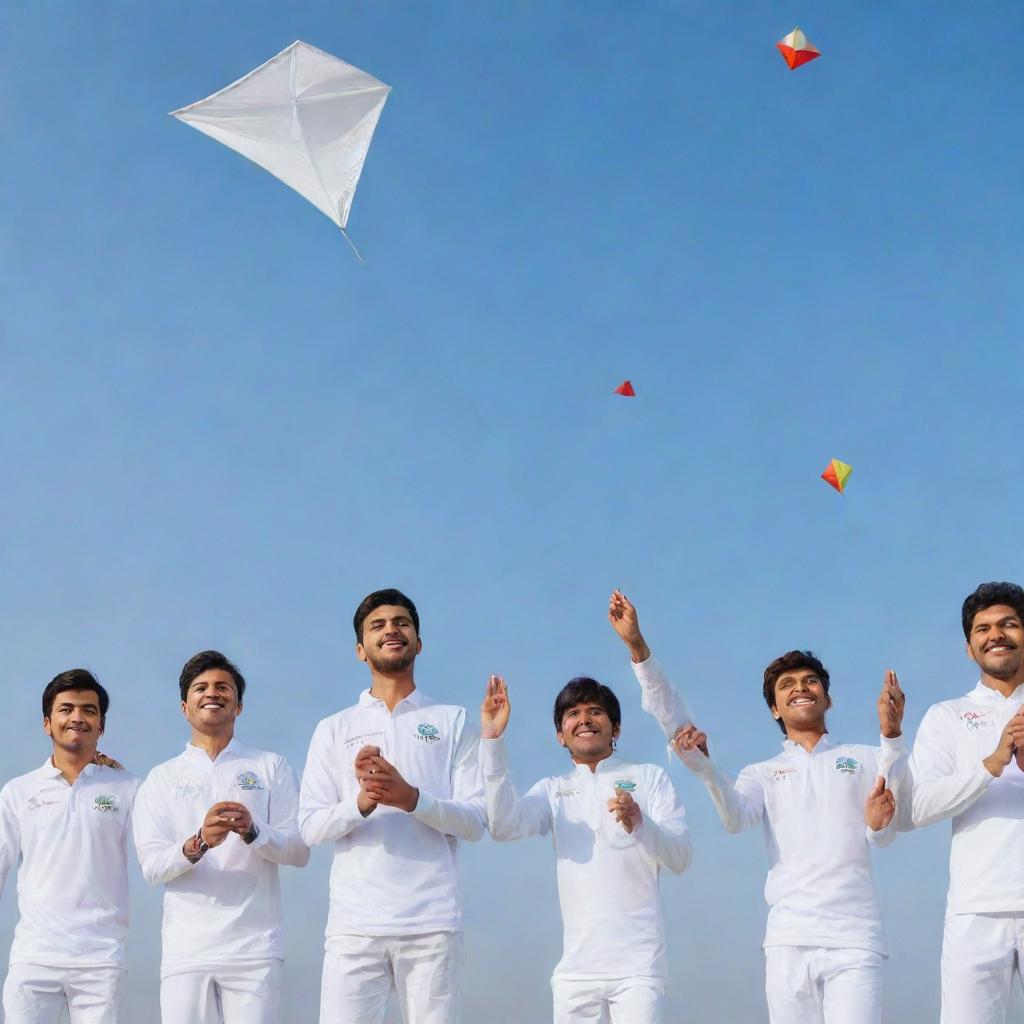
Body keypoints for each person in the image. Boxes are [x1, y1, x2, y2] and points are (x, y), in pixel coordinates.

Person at [608, 590, 905, 1024]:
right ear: (773, 710)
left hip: (854, 937)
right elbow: (733, 817)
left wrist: (892, 739)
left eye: (810, 682)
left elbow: (889, 827)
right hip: (788, 939)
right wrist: (638, 648)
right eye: (787, 686)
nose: (800, 689)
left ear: (828, 698)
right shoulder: (762, 773)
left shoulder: (864, 757)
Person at [299, 588, 485, 1024]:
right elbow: (309, 827)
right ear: (360, 649)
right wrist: (361, 803)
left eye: (401, 622)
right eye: (377, 625)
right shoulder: (333, 728)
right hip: (354, 926)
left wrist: (411, 799)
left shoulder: (452, 720)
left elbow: (476, 821)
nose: (391, 630)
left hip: (432, 923)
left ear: (418, 642)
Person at [480, 668, 691, 1024]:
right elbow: (504, 826)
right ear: (560, 735)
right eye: (573, 714)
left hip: (638, 968)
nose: (585, 720)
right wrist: (492, 742)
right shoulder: (552, 789)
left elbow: (681, 857)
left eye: (595, 711)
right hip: (576, 973)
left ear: (616, 728)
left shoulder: (649, 777)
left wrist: (640, 822)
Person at [133, 650, 308, 1024]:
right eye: (201, 687)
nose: (212, 693)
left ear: (239, 705)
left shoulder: (270, 765)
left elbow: (298, 850)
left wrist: (253, 831)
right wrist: (198, 843)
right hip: (187, 951)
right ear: (184, 706)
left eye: (222, 687)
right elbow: (151, 867)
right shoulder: (161, 778)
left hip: (254, 950)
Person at [904, 581, 1024, 1023]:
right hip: (975, 907)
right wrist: (990, 763)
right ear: (969, 647)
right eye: (983, 628)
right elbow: (916, 808)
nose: (996, 634)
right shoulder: (946, 715)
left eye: (1009, 624)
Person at [0, 669, 139, 1024]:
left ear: (102, 726)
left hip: (99, 958)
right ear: (47, 723)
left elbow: (159, 855)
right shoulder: (18, 791)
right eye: (66, 709)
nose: (77, 717)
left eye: (89, 710)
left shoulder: (130, 789)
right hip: (34, 958)